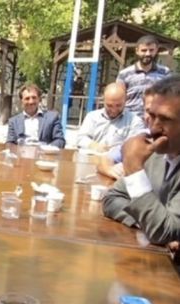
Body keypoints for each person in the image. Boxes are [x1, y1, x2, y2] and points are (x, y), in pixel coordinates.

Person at [102, 76, 180, 245]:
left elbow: (166, 232)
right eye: (151, 115)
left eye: (165, 119)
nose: (154, 127)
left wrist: (135, 171)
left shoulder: (146, 156)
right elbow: (111, 198)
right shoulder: (155, 155)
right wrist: (146, 222)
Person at [77, 83, 145, 152]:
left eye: (118, 105)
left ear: (125, 100)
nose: (114, 110)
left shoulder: (134, 121)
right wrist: (94, 145)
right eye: (109, 106)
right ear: (103, 100)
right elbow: (81, 139)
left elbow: (133, 147)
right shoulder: (92, 117)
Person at [117, 35, 171, 118]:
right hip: (130, 119)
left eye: (151, 50)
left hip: (155, 119)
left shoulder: (165, 73)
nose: (147, 54)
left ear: (156, 50)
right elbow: (118, 98)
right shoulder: (124, 74)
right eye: (144, 50)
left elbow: (169, 97)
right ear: (137, 51)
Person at [5, 83, 66, 148]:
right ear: (21, 101)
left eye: (34, 98)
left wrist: (46, 149)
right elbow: (10, 143)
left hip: (44, 153)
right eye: (27, 98)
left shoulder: (52, 117)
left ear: (39, 99)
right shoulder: (14, 121)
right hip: (21, 153)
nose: (31, 102)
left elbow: (60, 140)